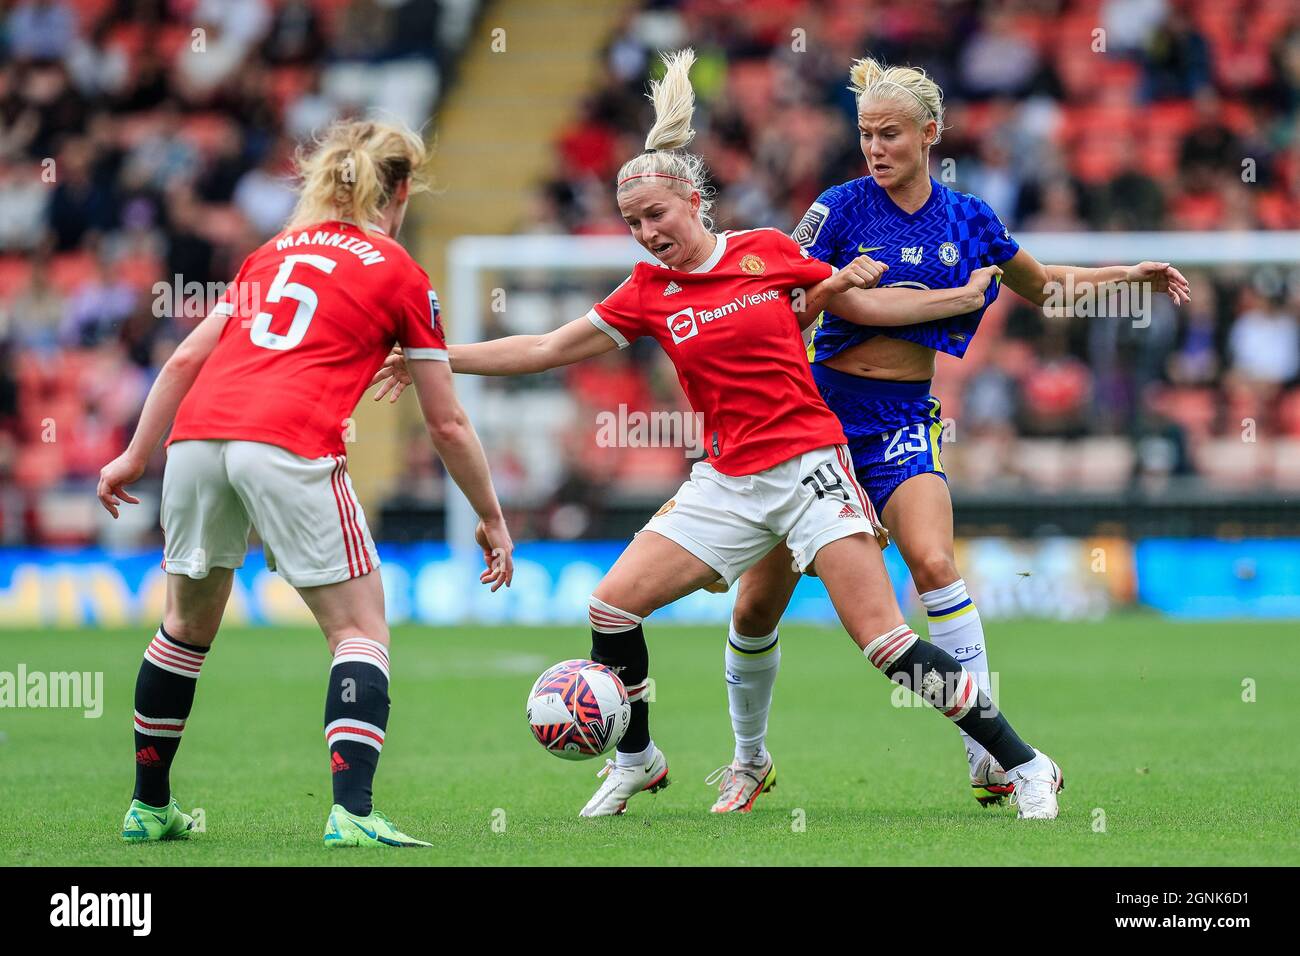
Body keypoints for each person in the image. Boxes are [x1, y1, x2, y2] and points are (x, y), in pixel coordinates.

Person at [375, 50, 1063, 820]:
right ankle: (638, 759)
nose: (646, 234)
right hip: (728, 481)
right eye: (633, 224)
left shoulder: (766, 252)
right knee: (610, 609)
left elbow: (839, 300)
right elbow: (543, 348)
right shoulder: (645, 292)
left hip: (810, 468)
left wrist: (880, 287)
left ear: (693, 203)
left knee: (885, 644)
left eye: (656, 217)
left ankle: (1025, 763)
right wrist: (434, 356)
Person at [709, 56, 1191, 815]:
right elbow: (782, 310)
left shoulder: (968, 220)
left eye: (891, 134)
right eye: (867, 134)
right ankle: (747, 760)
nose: (876, 147)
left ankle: (989, 759)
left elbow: (1040, 287)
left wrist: (1127, 274)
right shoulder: (836, 209)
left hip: (901, 422)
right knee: (754, 608)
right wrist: (832, 290)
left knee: (935, 560)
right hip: (817, 425)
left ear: (930, 133)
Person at [96, 118, 515, 849]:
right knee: (358, 631)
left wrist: (135, 454)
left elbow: (182, 362)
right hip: (286, 441)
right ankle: (352, 812)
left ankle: (148, 805)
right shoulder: (399, 271)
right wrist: (491, 515)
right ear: (402, 189)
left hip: (196, 440)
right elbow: (446, 424)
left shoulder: (271, 253)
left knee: (185, 629)